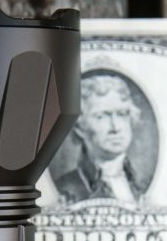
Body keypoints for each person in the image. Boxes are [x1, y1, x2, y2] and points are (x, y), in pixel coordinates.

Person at [55, 75, 148, 205]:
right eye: (101, 117)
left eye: (121, 114)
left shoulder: (143, 185)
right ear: (79, 128)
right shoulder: (65, 189)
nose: (115, 127)